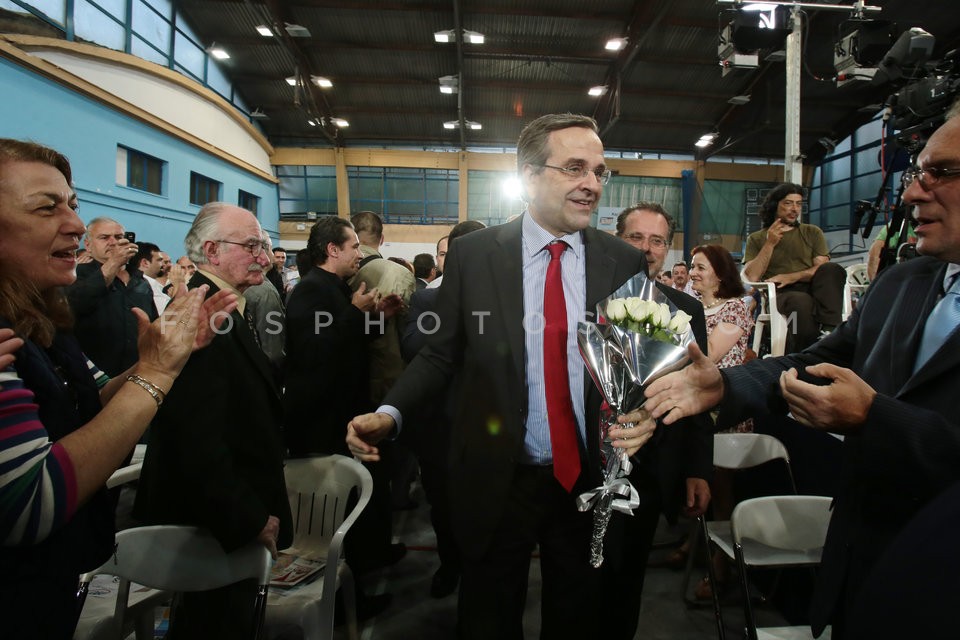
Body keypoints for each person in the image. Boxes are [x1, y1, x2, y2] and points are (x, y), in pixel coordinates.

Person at [347, 113, 674, 638]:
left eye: (599, 171)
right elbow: (439, 355)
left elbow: (637, 366)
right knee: (489, 616)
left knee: (578, 618)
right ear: (529, 175)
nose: (592, 184)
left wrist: (647, 413)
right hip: (498, 475)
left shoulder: (622, 262)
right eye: (574, 168)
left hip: (587, 478)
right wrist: (390, 414)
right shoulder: (475, 255)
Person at [644, 102, 960, 639]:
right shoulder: (901, 284)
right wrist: (723, 384)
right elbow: (811, 362)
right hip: (863, 566)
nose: (911, 192)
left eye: (942, 172)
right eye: (915, 172)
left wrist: (875, 418)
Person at [0, 138, 233, 640]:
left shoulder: (39, 321)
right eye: (47, 208)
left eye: (72, 204)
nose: (75, 224)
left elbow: (97, 399)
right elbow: (32, 502)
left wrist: (159, 360)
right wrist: (157, 374)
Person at [134, 203, 293, 640]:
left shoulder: (224, 304)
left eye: (263, 245)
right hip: (213, 526)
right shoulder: (198, 314)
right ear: (212, 251)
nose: (264, 256)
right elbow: (194, 437)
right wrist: (248, 518)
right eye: (252, 245)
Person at [686, 243, 754, 599]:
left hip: (724, 408)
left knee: (721, 489)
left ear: (721, 273)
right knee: (696, 483)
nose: (692, 273)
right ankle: (694, 543)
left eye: (700, 267)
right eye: (692, 266)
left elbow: (710, 355)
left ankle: (721, 563)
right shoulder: (694, 307)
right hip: (698, 405)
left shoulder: (735, 308)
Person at [743, 183, 846, 352]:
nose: (794, 209)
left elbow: (821, 267)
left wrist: (793, 276)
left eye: (798, 204)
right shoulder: (757, 238)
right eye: (788, 203)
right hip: (781, 294)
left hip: (815, 289)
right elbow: (752, 277)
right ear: (775, 205)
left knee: (832, 269)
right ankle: (804, 352)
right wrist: (770, 244)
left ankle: (829, 332)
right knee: (800, 302)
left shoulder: (812, 232)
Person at [66, 217, 156, 376]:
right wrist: (113, 263)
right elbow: (75, 305)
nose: (113, 242)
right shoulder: (75, 276)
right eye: (104, 237)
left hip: (138, 373)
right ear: (88, 245)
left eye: (119, 237)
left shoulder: (141, 281)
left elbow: (154, 322)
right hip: (93, 375)